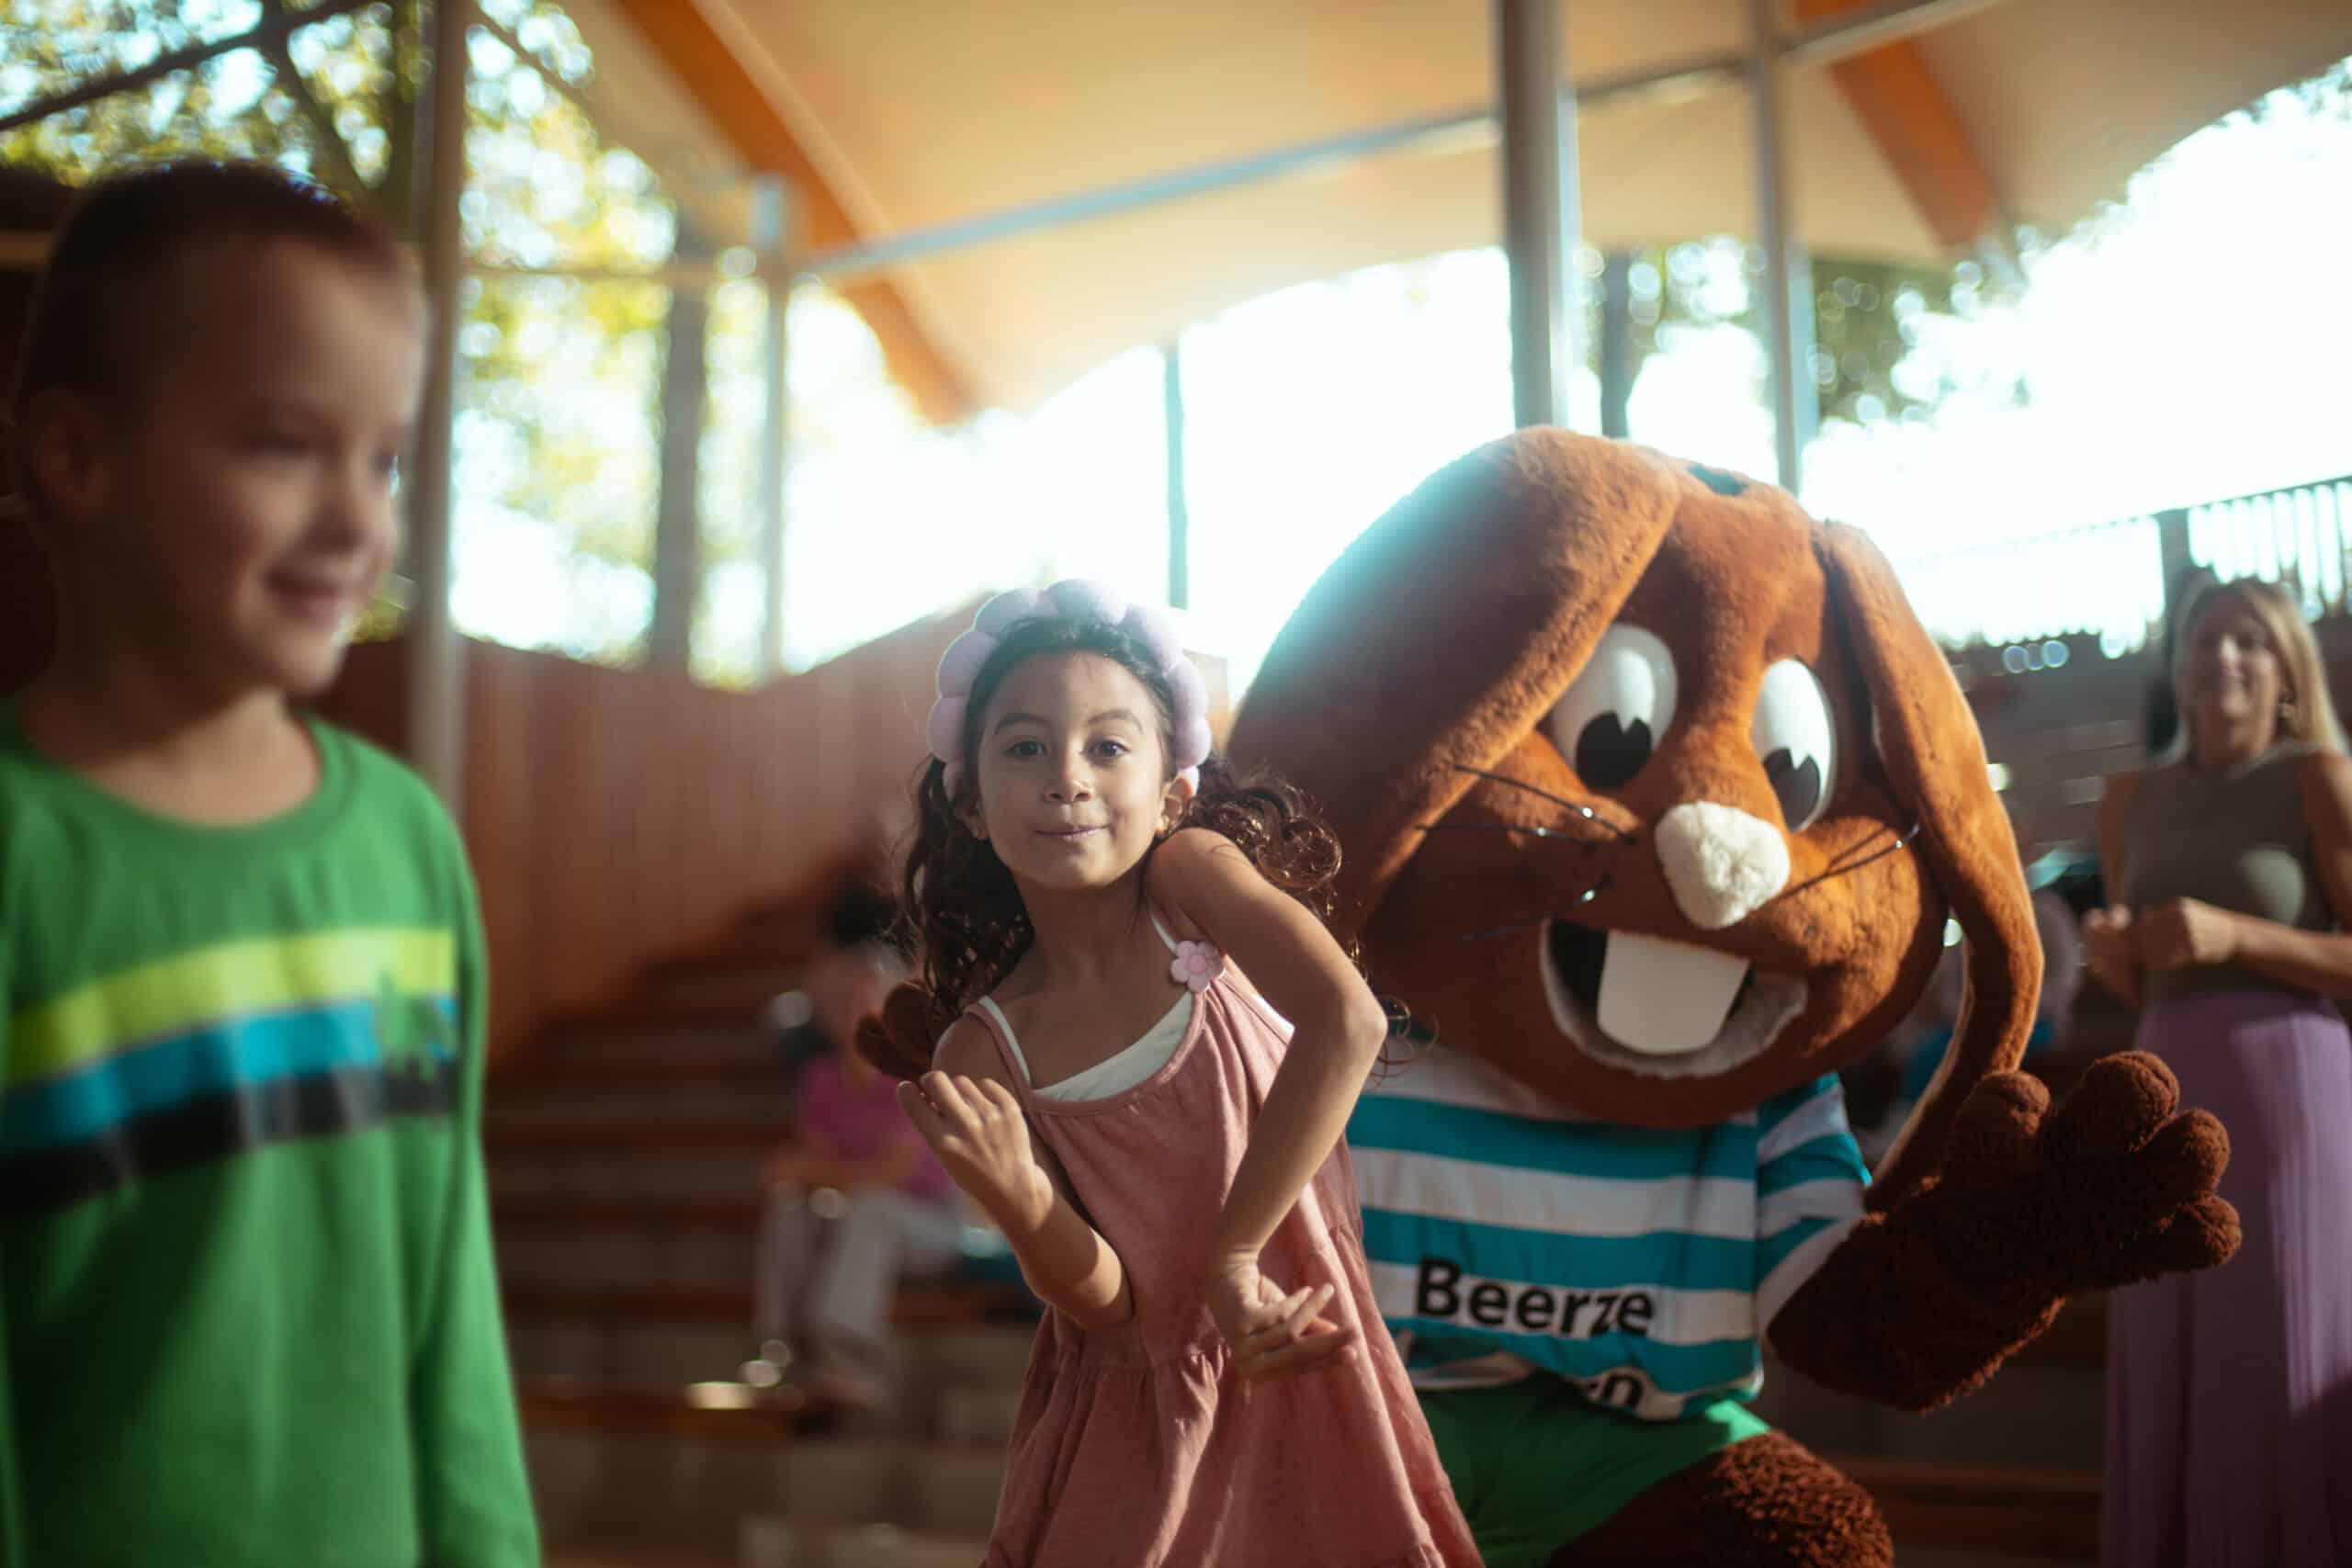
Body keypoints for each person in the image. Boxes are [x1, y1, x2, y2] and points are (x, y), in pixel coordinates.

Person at [0, 162, 537, 1566]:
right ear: (75, 456)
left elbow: (448, 1294)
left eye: (384, 459)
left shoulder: (405, 844)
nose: (361, 521)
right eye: (288, 445)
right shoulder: (23, 858)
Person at [865, 580, 1477, 1566]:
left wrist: (1237, 1257)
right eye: (1025, 748)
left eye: (1107, 746)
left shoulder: (1189, 883)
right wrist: (1021, 1199)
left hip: (1292, 1348)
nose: (1067, 778)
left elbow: (1348, 1020)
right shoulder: (982, 1052)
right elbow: (1112, 1308)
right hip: (1140, 1429)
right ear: (971, 801)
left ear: (1172, 795)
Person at [2086, 576, 2352, 1566]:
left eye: (2250, 640)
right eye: (2205, 639)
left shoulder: (2318, 777)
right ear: (2178, 666)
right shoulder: (2129, 798)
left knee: (2269, 1336)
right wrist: (2115, 956)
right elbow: (2142, 973)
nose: (2224, 657)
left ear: (2286, 671)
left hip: (2288, 1098)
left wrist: (2233, 933)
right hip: (2162, 1092)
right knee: (2165, 1334)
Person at [747, 938, 966, 1411]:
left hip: (932, 1223)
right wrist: (820, 1172)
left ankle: (850, 1357)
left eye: (868, 1002)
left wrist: (822, 1171)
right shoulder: (821, 1078)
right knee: (791, 1204)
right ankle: (782, 1348)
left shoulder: (912, 1073)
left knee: (868, 1208)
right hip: (857, 1215)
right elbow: (805, 1171)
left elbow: (890, 1173)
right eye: (847, 1002)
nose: (856, 1013)